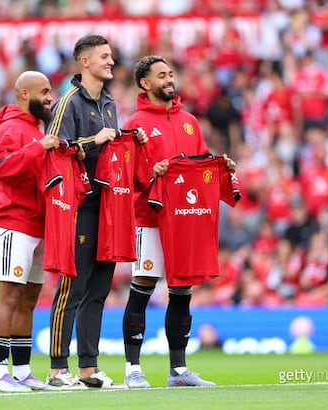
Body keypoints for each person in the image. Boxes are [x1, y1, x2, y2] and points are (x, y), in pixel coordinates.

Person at [120, 55, 235, 388]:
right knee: (142, 289)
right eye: (161, 75)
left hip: (184, 218)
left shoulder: (190, 121)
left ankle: (179, 370)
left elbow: (199, 164)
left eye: (171, 74)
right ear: (145, 83)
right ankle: (132, 369)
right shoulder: (136, 122)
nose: (169, 79)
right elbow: (127, 171)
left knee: (182, 292)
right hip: (149, 218)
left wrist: (219, 166)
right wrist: (150, 172)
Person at [44, 34, 147, 389]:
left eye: (110, 55)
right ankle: (57, 369)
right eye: (104, 56)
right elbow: (54, 150)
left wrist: (129, 138)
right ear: (84, 61)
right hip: (79, 205)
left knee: (99, 290)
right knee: (72, 287)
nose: (110, 61)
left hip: (109, 203)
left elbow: (109, 149)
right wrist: (94, 140)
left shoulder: (108, 101)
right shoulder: (68, 102)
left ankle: (88, 368)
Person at [0, 71, 60, 393]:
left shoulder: (34, 129)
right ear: (24, 94)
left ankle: (23, 372)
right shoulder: (10, 127)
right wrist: (38, 148)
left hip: (37, 223)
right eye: (44, 91)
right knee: (9, 296)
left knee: (28, 299)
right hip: (11, 220)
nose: (50, 97)